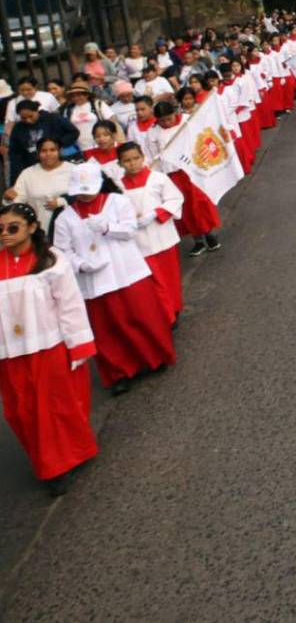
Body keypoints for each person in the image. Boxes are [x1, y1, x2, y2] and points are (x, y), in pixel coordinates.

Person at [51, 161, 175, 395]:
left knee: (143, 317)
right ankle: (119, 372)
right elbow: (62, 251)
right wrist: (80, 264)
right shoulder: (64, 218)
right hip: (94, 281)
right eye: (80, 192)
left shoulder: (117, 202)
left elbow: (130, 230)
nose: (85, 196)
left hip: (128, 272)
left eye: (89, 191)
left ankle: (155, 357)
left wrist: (108, 227)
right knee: (107, 330)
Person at [0, 202, 98, 496]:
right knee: (20, 412)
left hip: (48, 347)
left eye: (12, 227)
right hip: (9, 354)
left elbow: (69, 304)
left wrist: (78, 345)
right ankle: (55, 457)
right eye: (1, 229)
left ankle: (54, 468)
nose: (5, 234)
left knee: (50, 409)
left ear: (31, 228)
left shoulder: (51, 260)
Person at [117, 141, 185, 324]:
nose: (132, 163)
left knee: (170, 278)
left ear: (143, 158)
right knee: (154, 282)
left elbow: (176, 198)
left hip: (162, 236)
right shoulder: (118, 189)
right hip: (138, 242)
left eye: (135, 158)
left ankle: (174, 308)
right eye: (126, 160)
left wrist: (156, 213)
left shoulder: (158, 179)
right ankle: (167, 315)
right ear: (120, 163)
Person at [144, 100, 222, 257]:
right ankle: (197, 240)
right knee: (183, 209)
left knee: (198, 205)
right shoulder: (152, 133)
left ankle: (208, 234)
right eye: (162, 120)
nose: (166, 123)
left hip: (190, 170)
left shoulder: (187, 121)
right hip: (170, 175)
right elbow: (152, 157)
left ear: (175, 114)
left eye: (169, 118)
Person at [6, 101, 79, 187]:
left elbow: (73, 132)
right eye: (23, 118)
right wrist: (15, 181)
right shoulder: (18, 128)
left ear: (36, 111)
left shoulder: (53, 118)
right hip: (34, 168)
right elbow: (15, 154)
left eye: (30, 116)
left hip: (58, 164)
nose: (28, 120)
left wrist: (58, 145)